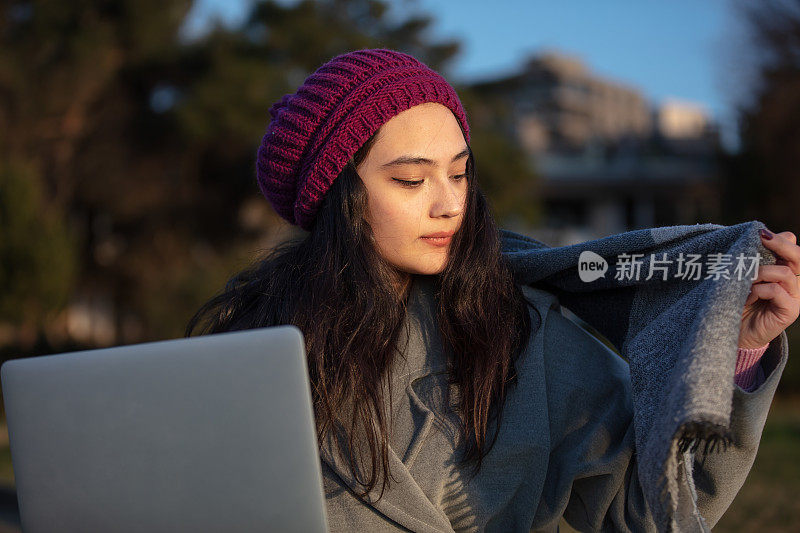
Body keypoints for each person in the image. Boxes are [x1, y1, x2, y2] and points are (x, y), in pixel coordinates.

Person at [185, 49, 798, 532]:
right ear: (337, 198)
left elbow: (649, 513)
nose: (450, 203)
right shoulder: (258, 338)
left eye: (459, 172)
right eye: (410, 180)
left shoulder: (523, 329)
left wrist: (738, 352)